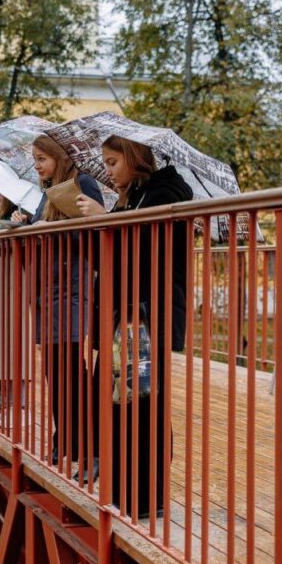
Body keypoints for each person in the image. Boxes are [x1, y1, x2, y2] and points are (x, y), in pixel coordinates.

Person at [76, 134, 193, 519]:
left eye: (112, 163)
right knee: (132, 399)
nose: (107, 172)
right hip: (131, 313)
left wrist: (106, 219)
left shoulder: (164, 194)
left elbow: (141, 249)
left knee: (140, 401)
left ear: (133, 158)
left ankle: (144, 497)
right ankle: (135, 491)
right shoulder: (137, 196)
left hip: (143, 314)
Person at [18, 134, 104, 469]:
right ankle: (65, 438)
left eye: (42, 158)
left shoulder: (81, 183)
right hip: (48, 289)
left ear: (58, 157)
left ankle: (85, 444)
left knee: (69, 367)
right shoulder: (49, 191)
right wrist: (28, 226)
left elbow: (92, 232)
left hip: (69, 285)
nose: (37, 165)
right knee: (56, 368)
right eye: (35, 159)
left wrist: (47, 227)